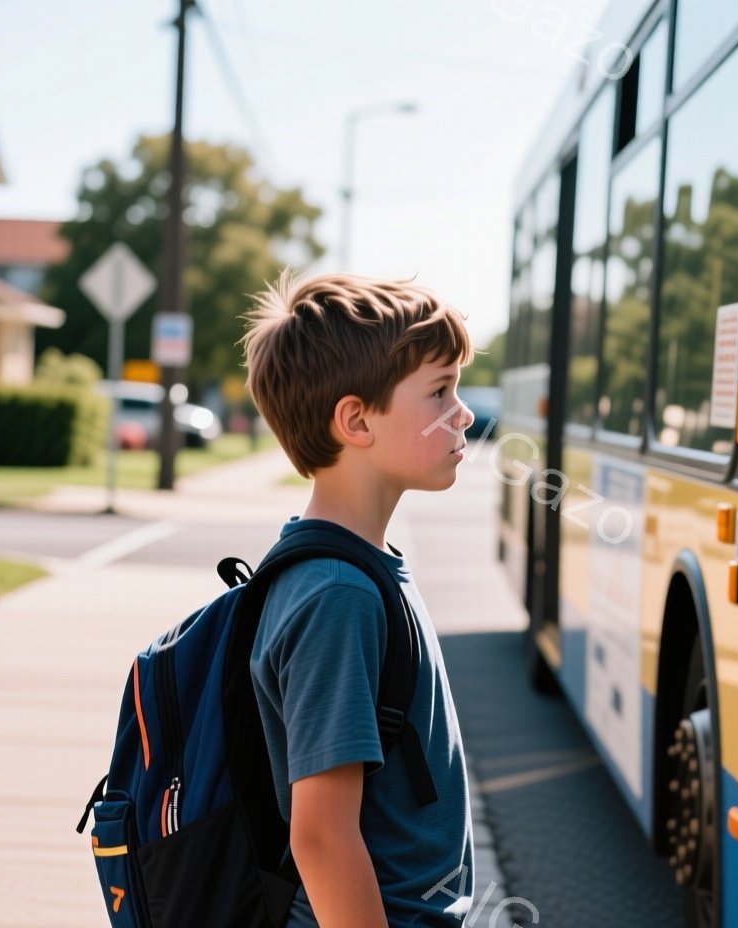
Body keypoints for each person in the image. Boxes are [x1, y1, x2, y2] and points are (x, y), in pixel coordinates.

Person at [241, 271, 477, 927]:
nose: (463, 414)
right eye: (439, 392)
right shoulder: (338, 595)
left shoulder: (363, 570)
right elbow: (321, 836)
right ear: (355, 420)